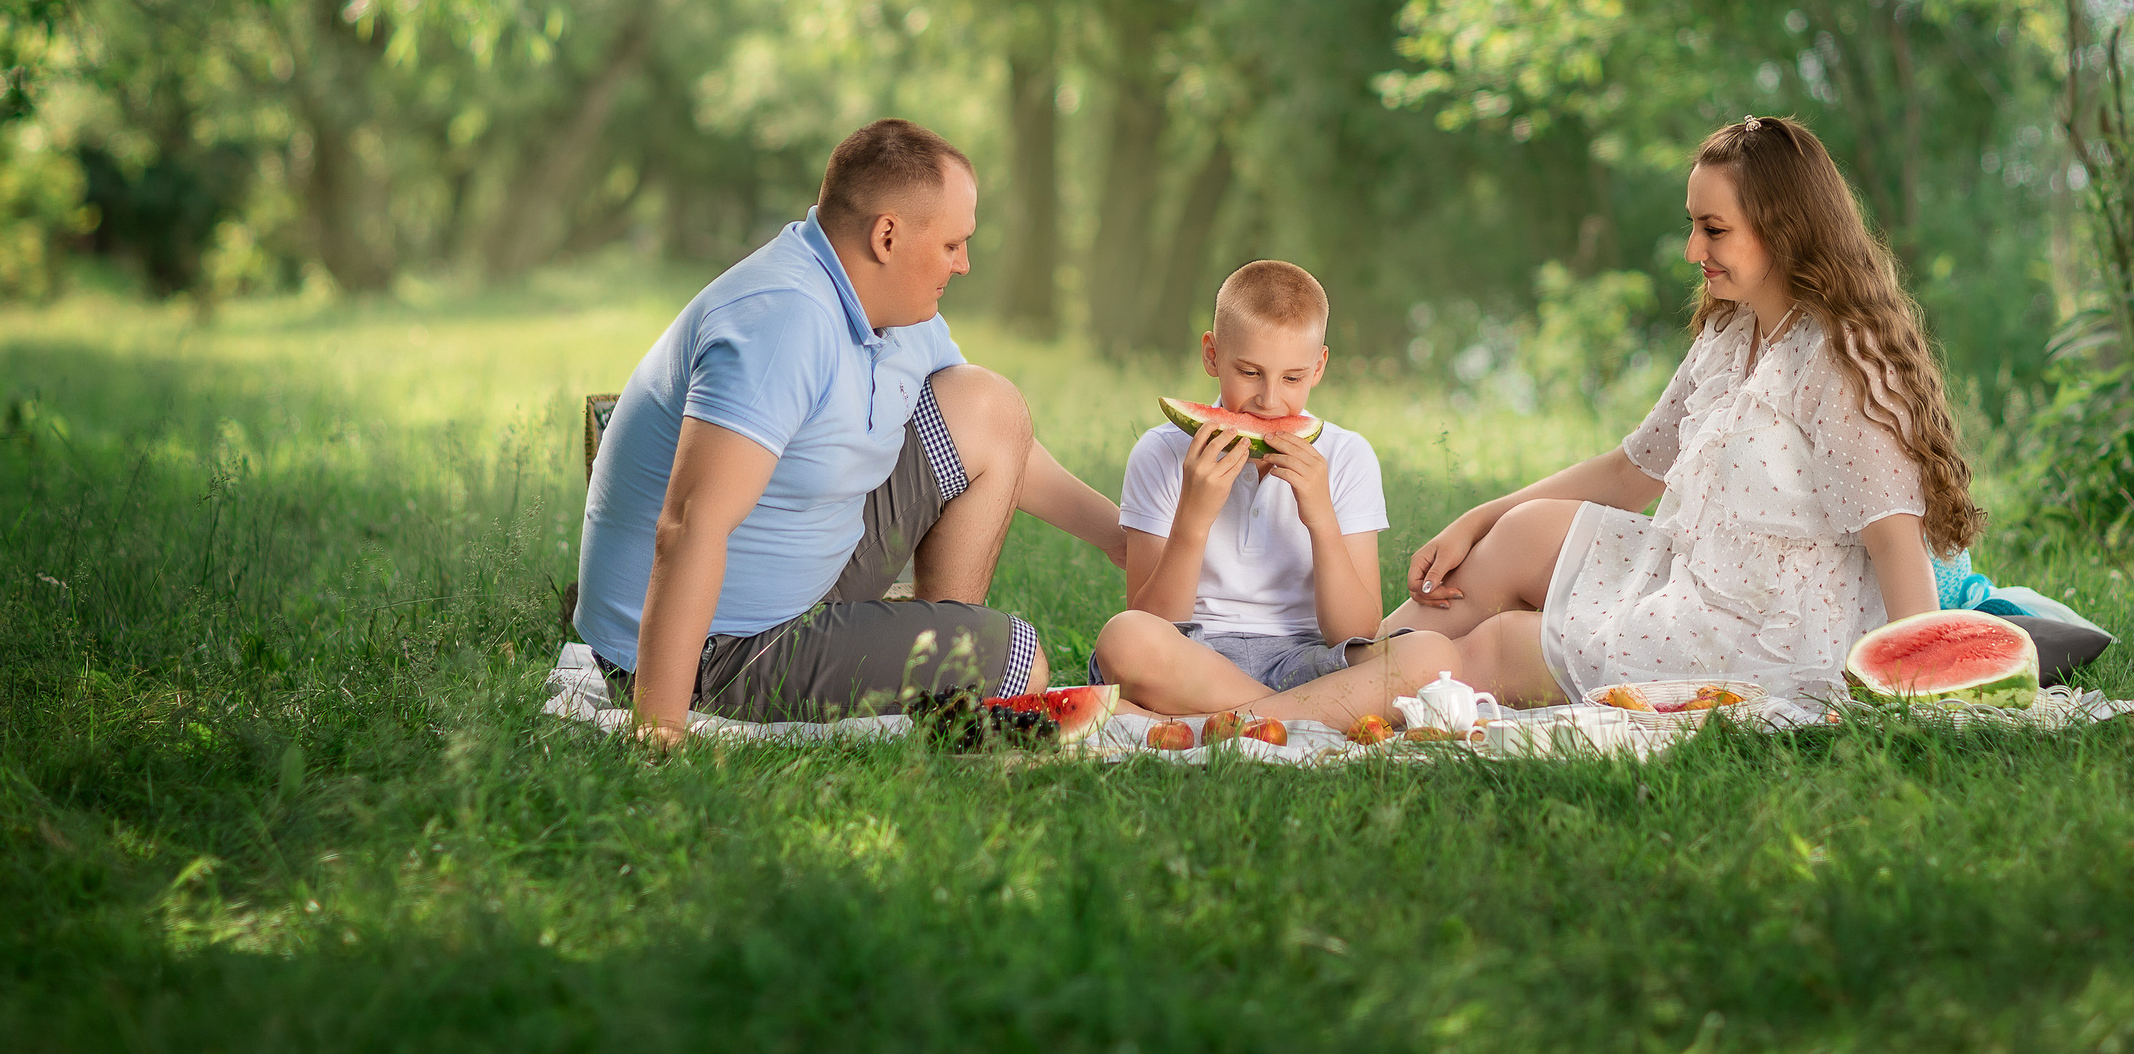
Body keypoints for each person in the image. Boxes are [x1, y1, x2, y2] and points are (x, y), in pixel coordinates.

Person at [1246, 115, 1973, 728]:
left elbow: (1895, 542)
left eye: (1713, 229)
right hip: (1691, 573)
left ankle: (1265, 710)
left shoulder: (1841, 363)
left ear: (1782, 230)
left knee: (1495, 646)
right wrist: (1476, 517)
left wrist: (1916, 704)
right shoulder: (1732, 335)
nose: (1693, 250)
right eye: (1694, 226)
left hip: (1762, 637)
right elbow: (1632, 471)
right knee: (1522, 532)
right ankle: (1333, 672)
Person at [571, 118, 1123, 743]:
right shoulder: (782, 321)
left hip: (809, 579)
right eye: (951, 245)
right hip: (709, 644)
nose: (964, 265)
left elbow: (1001, 442)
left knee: (990, 404)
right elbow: (689, 524)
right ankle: (940, 679)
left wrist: (1121, 537)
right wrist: (660, 726)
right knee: (1016, 657)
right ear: (887, 235)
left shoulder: (895, 308)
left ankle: (930, 650)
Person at [1091, 261, 1390, 715]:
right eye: (1250, 372)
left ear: (1319, 367)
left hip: (1305, 658)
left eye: (1292, 378)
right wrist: (1193, 518)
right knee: (1125, 638)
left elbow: (1357, 632)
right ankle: (1305, 717)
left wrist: (1321, 520)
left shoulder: (1349, 456)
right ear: (1212, 355)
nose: (1269, 401)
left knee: (1432, 653)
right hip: (1194, 658)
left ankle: (1233, 719)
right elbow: (1152, 622)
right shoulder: (1160, 453)